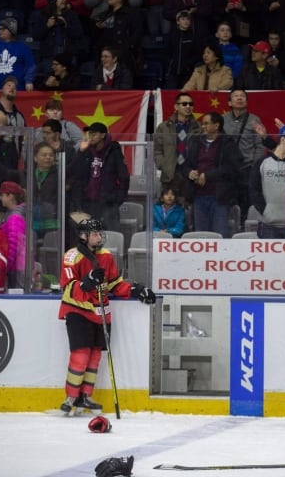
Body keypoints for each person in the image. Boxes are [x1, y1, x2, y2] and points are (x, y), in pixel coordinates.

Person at [58, 218, 156, 415]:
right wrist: (86, 283)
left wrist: (135, 289)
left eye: (99, 233)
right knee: (81, 354)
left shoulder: (106, 256)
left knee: (95, 356)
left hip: (100, 312)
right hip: (78, 311)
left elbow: (113, 284)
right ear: (83, 236)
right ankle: (70, 398)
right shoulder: (72, 256)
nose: (99, 237)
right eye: (94, 234)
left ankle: (85, 396)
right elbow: (67, 288)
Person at [180, 112, 241, 237]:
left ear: (216, 125)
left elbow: (232, 168)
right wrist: (189, 173)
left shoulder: (228, 143)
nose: (203, 127)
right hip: (198, 196)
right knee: (201, 236)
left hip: (219, 197)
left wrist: (207, 176)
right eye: (203, 124)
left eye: (206, 124)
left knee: (220, 235)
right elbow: (185, 165)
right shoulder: (195, 141)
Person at [71, 122, 130, 233]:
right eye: (89, 134)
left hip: (108, 202)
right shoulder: (87, 151)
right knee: (89, 235)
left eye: (94, 134)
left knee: (111, 234)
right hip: (89, 203)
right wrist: (81, 152)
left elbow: (124, 177)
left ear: (103, 135)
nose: (91, 136)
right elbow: (76, 172)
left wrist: (118, 199)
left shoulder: (114, 151)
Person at [249, 123, 285, 238]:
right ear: (283, 139)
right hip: (268, 224)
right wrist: (265, 211)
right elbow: (254, 190)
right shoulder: (262, 163)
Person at [222, 89, 264, 218]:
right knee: (227, 203)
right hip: (227, 168)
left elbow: (260, 145)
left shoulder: (254, 119)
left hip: (247, 168)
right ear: (229, 102)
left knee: (246, 202)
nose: (239, 98)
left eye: (242, 96)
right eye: (236, 96)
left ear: (247, 101)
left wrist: (255, 167)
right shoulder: (222, 119)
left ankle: (243, 229)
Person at [154, 92, 202, 199]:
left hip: (191, 174)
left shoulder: (199, 127)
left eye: (191, 104)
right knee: (171, 210)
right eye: (184, 104)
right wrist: (165, 166)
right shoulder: (163, 127)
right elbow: (157, 150)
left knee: (189, 211)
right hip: (171, 175)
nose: (188, 106)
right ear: (176, 106)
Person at [0, 181, 27, 290]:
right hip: (17, 266)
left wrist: (5, 267)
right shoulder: (12, 214)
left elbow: (14, 246)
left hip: (17, 268)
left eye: (2, 195)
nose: (0, 198)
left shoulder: (15, 217)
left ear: (11, 196)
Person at [165, 11, 204, 89]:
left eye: (188, 19)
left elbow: (198, 54)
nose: (186, 21)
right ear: (178, 22)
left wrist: (188, 65)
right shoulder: (172, 35)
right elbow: (167, 52)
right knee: (170, 95)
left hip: (187, 74)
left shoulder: (193, 37)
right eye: (183, 19)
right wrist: (171, 64)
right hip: (173, 73)